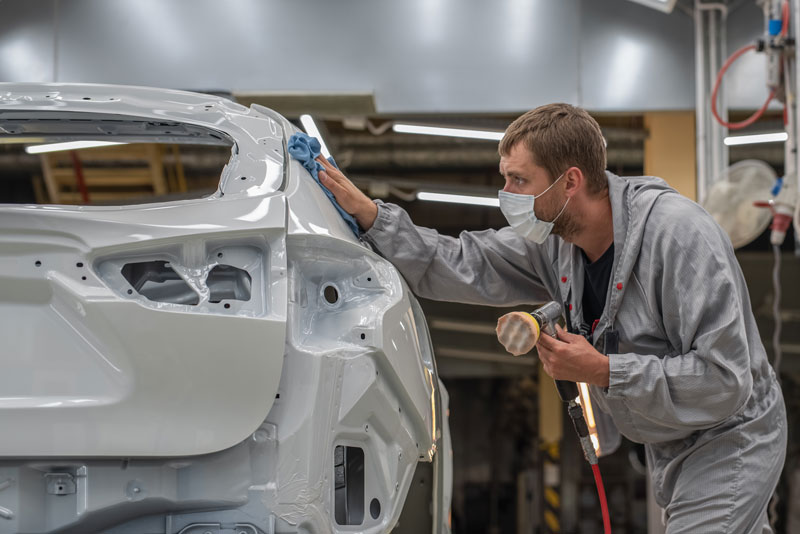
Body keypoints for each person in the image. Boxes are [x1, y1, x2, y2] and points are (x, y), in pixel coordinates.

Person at [315, 103, 787, 533]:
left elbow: (726, 378)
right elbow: (464, 263)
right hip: (668, 440)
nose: (506, 194)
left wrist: (601, 370)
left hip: (730, 434)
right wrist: (375, 218)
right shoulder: (558, 245)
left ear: (570, 182)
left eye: (519, 180)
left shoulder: (680, 238)